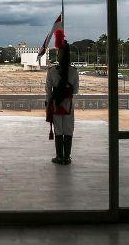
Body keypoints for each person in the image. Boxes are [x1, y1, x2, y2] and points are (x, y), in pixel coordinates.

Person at [46, 30, 79, 165]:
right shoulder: (74, 71)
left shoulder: (52, 71)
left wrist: (49, 103)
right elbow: (75, 90)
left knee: (58, 131)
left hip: (56, 104)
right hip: (68, 105)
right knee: (68, 130)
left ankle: (59, 157)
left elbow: (48, 90)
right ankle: (67, 157)